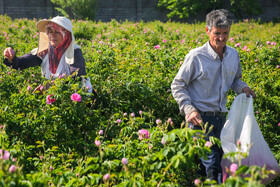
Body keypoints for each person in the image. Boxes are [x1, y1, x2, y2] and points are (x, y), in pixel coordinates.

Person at [171, 9, 256, 184]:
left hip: (222, 120)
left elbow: (235, 81)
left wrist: (244, 88)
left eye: (225, 33)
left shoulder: (233, 54)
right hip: (199, 120)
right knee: (213, 166)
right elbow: (178, 85)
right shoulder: (196, 56)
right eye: (217, 33)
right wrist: (189, 109)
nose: (221, 38)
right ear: (207, 31)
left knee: (219, 164)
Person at [3, 16, 93, 93]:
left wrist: (49, 86)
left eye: (57, 32)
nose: (52, 35)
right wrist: (11, 58)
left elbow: (75, 77)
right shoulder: (44, 52)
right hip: (52, 95)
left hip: (77, 96)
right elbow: (22, 63)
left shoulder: (75, 52)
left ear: (66, 34)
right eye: (50, 31)